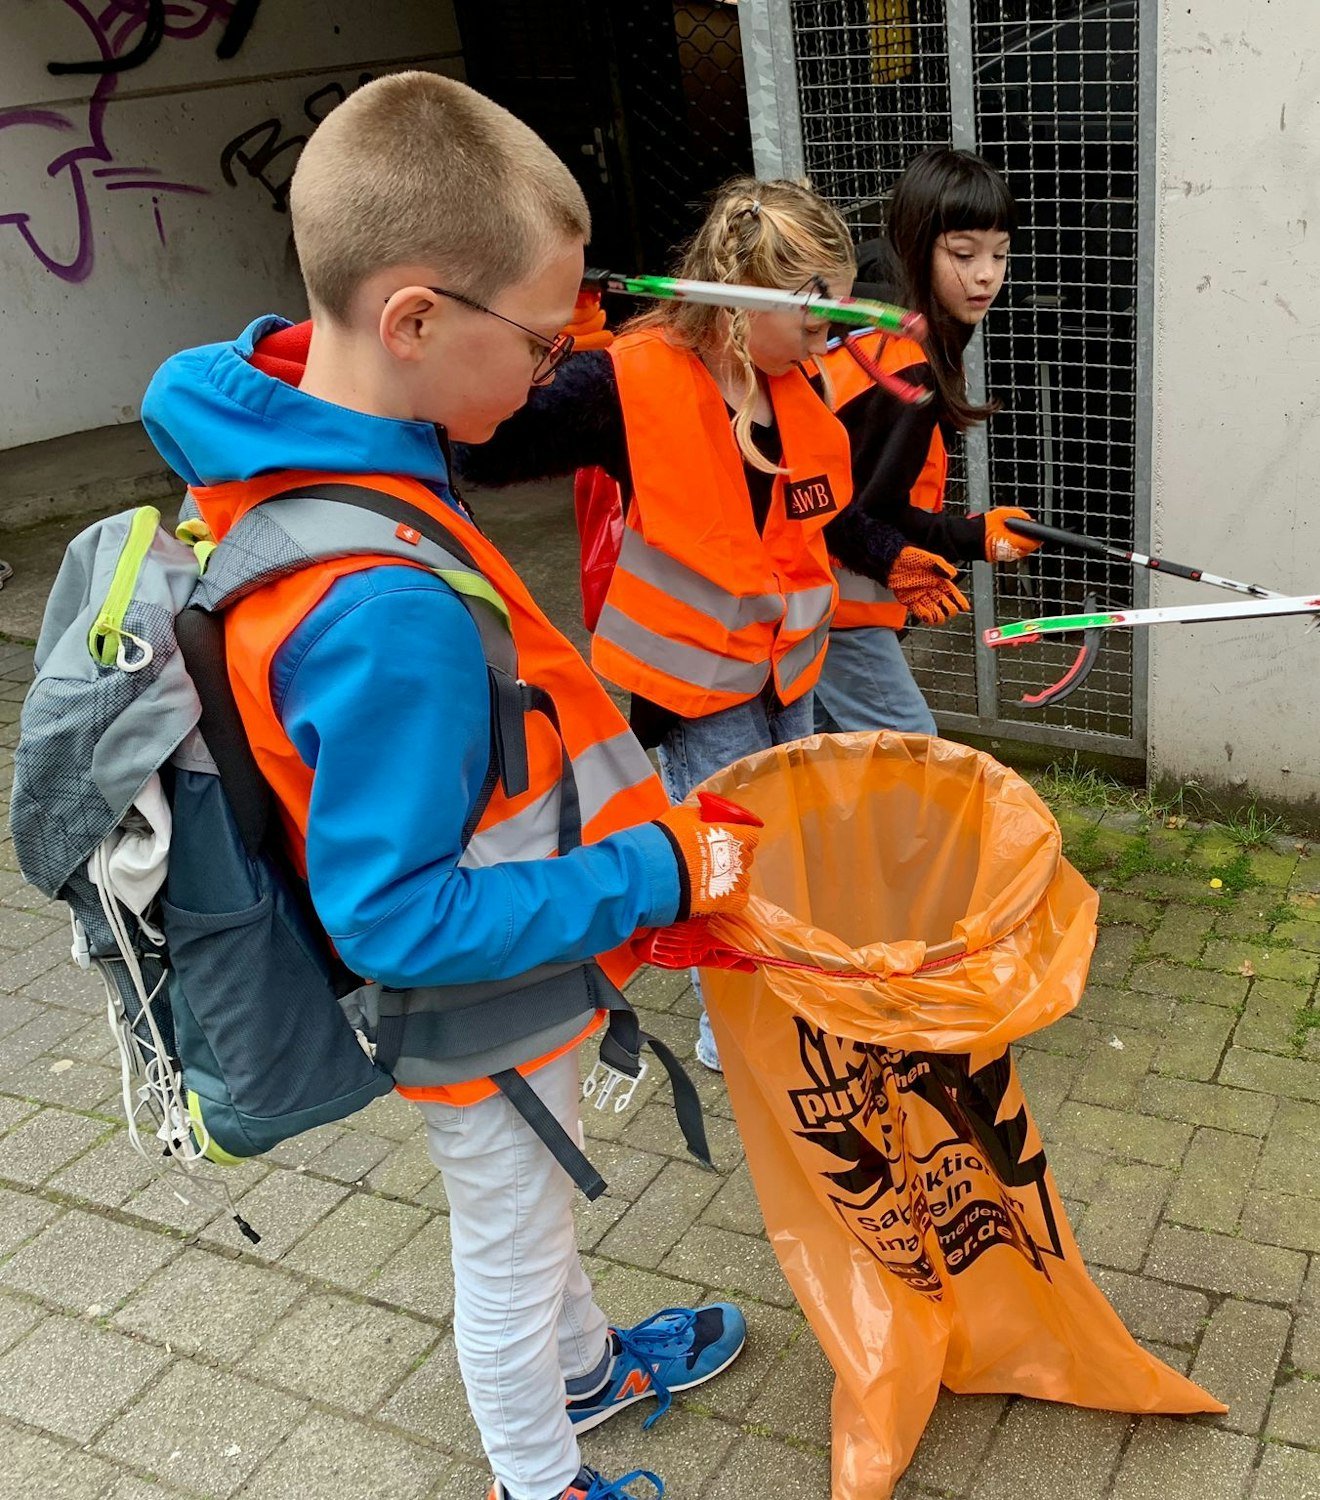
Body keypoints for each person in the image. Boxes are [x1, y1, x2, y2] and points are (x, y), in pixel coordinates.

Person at [138, 73, 761, 1500]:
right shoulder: (382, 606)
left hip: (513, 935)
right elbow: (394, 920)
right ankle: (541, 1481)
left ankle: (592, 1373)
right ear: (413, 320)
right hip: (477, 986)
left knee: (534, 1208)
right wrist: (655, 875)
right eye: (545, 341)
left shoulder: (317, 432)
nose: (559, 371)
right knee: (509, 1241)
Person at [458, 177, 962, 1072]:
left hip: (786, 672)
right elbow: (486, 443)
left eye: (837, 312)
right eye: (813, 315)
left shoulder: (792, 382)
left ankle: (786, 988)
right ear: (739, 302)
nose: (829, 335)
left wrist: (891, 559)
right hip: (697, 689)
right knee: (721, 856)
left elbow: (825, 510)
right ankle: (732, 1027)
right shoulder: (627, 381)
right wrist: (536, 338)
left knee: (785, 841)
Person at [812, 147, 1042, 735]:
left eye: (1001, 254)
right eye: (963, 254)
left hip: (812, 604)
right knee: (912, 752)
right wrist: (970, 535)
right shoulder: (900, 363)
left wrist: (973, 534)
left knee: (816, 750)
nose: (986, 274)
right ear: (917, 245)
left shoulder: (879, 306)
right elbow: (853, 513)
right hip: (836, 607)